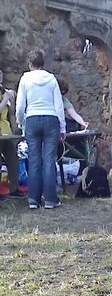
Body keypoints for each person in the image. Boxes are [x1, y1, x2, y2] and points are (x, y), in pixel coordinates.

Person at [15, 50, 65, 209]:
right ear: (43, 63)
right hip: (51, 119)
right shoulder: (51, 79)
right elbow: (59, 105)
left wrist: (21, 122)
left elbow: (20, 106)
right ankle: (50, 199)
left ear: (29, 63)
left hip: (32, 119)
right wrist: (62, 127)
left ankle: (33, 200)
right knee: (49, 160)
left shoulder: (25, 79)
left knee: (34, 160)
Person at [0, 69, 25, 200]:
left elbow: (11, 114)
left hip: (6, 132)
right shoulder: (4, 95)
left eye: (1, 74)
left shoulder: (3, 91)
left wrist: (12, 100)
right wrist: (5, 99)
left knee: (13, 159)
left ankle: (14, 189)